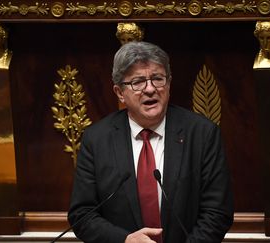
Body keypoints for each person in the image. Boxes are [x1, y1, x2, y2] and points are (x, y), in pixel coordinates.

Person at [68, 41, 234, 243]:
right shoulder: (96, 139)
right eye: (137, 82)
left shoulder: (202, 134)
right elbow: (82, 214)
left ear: (169, 84)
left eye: (157, 78)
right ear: (120, 93)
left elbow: (217, 212)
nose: (150, 89)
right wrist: (124, 240)